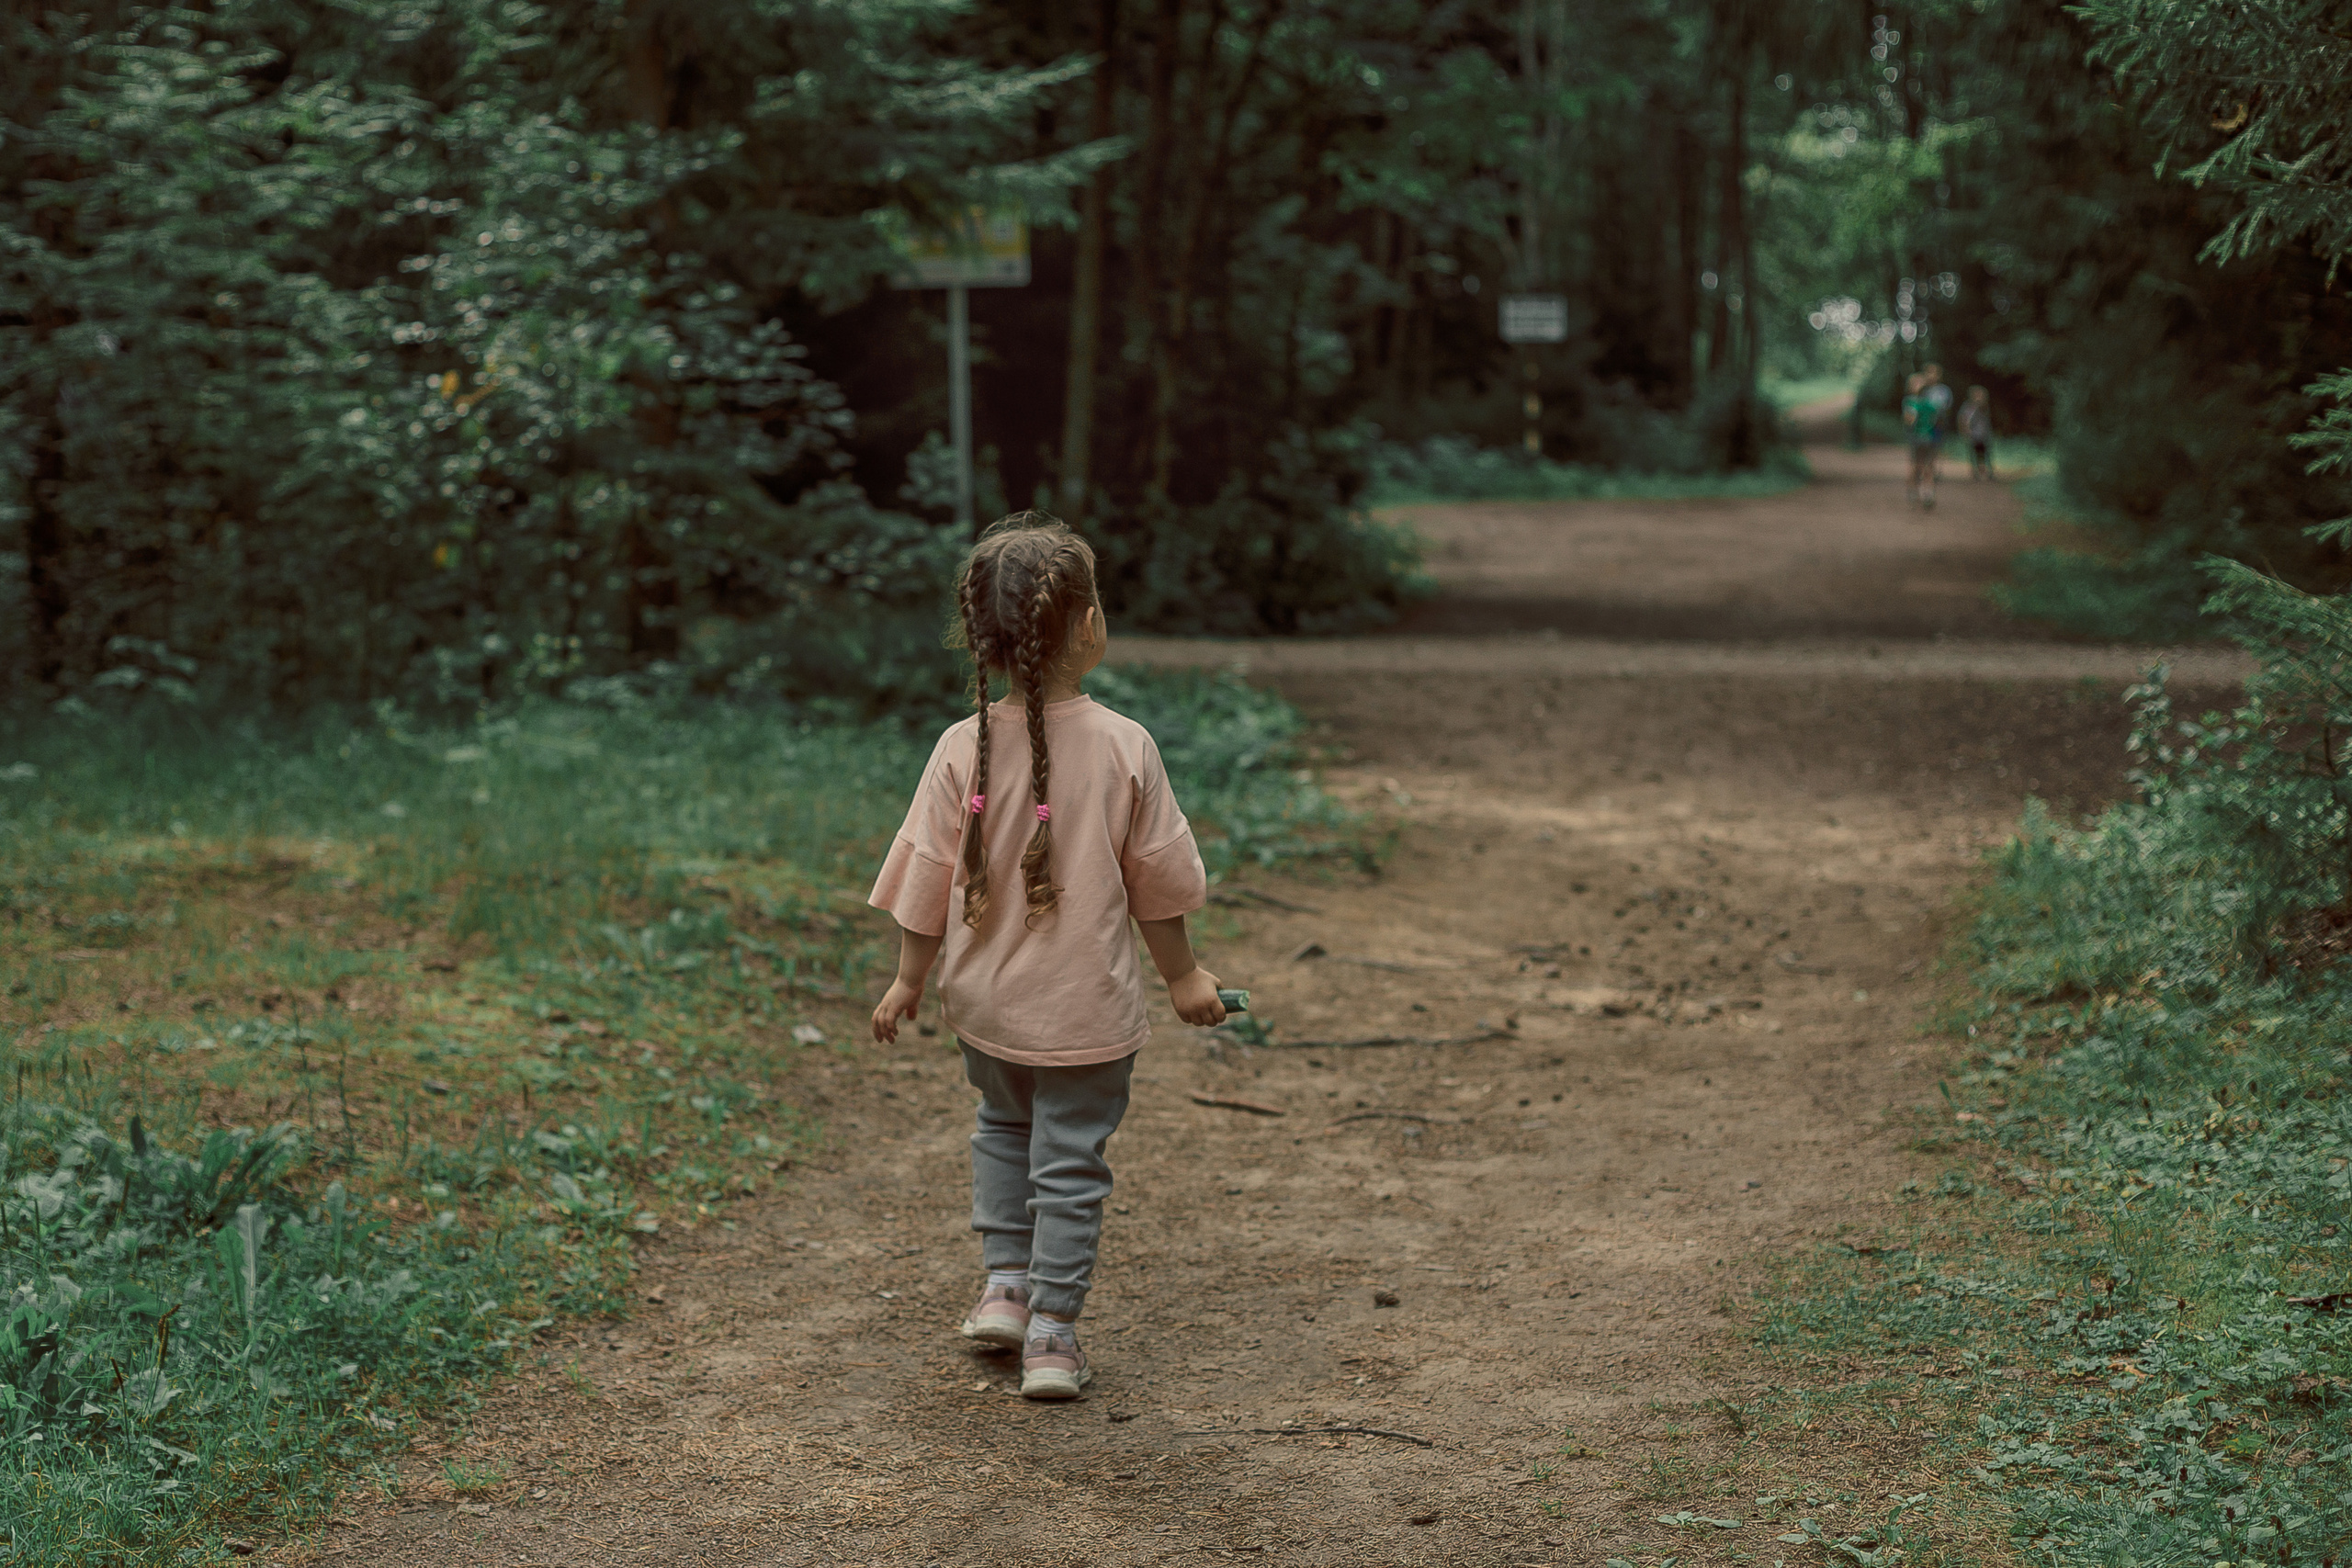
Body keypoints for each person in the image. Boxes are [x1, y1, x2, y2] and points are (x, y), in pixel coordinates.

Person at [867, 512, 1226, 1401]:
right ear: (1088, 626)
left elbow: (921, 869)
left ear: (980, 639)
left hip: (984, 1004)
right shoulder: (1122, 745)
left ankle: (1005, 1289)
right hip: (1084, 1012)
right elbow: (1158, 882)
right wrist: (1183, 977)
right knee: (1068, 1161)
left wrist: (910, 977)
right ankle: (1054, 1335)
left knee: (1001, 1129)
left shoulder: (960, 746)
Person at [1902, 371, 1943, 508]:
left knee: (1921, 465)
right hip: (1923, 438)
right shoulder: (1924, 403)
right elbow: (1936, 420)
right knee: (1922, 465)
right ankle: (1921, 492)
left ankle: (1920, 492)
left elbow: (1910, 421)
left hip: (1921, 438)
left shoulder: (1915, 403)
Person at [1961, 385, 1994, 479]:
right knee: (1973, 453)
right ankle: (1975, 471)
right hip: (1973, 434)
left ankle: (1988, 471)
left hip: (1984, 434)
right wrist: (1965, 431)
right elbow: (1963, 418)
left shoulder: (1984, 406)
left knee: (1985, 453)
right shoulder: (1967, 406)